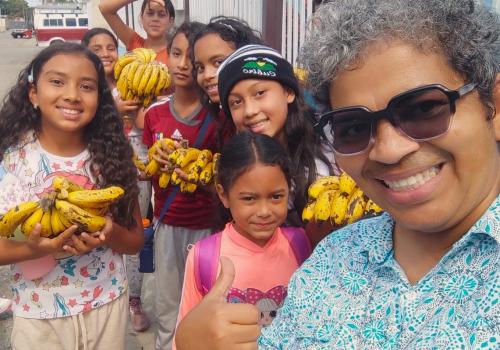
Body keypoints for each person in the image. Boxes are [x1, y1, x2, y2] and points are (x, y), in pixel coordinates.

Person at [175, 0, 500, 348]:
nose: (388, 150)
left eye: (423, 109)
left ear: (493, 105)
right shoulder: (335, 256)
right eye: (353, 126)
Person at [0, 42, 144, 349]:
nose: (72, 95)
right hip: (39, 315)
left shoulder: (114, 156)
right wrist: (35, 249)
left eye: (87, 86)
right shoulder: (10, 160)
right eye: (56, 81)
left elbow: (134, 242)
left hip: (106, 304)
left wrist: (109, 231)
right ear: (33, 93)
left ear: (99, 98)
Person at [176, 132, 311, 333]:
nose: (264, 212)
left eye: (276, 197)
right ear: (224, 195)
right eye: (249, 199)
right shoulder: (204, 257)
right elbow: (187, 335)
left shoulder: (300, 244)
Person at [142, 20, 221, 350]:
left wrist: (203, 179)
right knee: (167, 305)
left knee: (207, 302)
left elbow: (227, 179)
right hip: (167, 224)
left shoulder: (219, 116)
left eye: (192, 57)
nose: (183, 64)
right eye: (176, 53)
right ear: (166, 56)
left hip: (209, 227)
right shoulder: (154, 114)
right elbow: (149, 172)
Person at [217, 44, 335, 232]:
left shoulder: (332, 150)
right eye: (236, 102)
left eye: (260, 93)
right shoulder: (238, 165)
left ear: (288, 92)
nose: (250, 111)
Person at [82, 27, 151, 332]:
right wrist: (111, 108)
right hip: (99, 166)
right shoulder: (86, 90)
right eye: (97, 48)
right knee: (100, 230)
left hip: (136, 164)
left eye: (111, 46)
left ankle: (133, 298)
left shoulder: (133, 82)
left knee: (134, 229)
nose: (106, 53)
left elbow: (144, 123)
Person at [99, 0, 175, 65]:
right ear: (142, 18)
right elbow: (104, 9)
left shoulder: (176, 52)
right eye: (150, 13)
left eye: (161, 15)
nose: (155, 19)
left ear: (170, 21)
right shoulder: (135, 43)